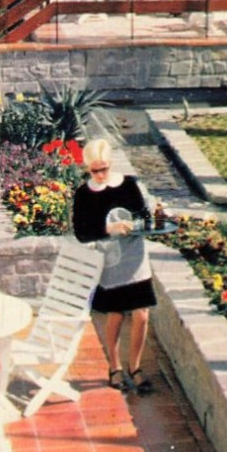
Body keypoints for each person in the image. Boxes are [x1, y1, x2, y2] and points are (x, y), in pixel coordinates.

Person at [72, 138, 156, 393]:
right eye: (94, 170)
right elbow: (81, 232)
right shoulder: (84, 194)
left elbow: (145, 217)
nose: (100, 174)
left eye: (104, 168)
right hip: (111, 262)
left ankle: (136, 367)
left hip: (135, 258)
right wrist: (109, 228)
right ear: (87, 168)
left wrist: (135, 225)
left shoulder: (128, 186)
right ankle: (115, 367)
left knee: (141, 314)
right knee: (116, 315)